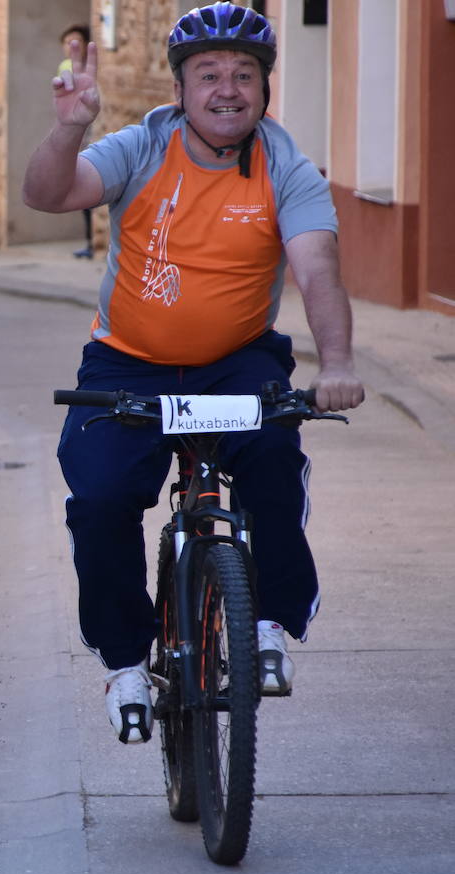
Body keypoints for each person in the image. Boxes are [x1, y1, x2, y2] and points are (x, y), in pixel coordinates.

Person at [22, 2, 365, 744]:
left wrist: (336, 364)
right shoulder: (141, 147)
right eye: (208, 75)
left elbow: (318, 271)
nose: (228, 89)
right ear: (179, 90)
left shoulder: (286, 166)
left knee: (275, 453)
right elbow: (48, 195)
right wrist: (70, 128)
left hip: (236, 359)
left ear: (265, 90)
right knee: (103, 497)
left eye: (244, 75)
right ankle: (123, 663)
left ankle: (267, 622)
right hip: (129, 365)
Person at [57, 24, 95, 259]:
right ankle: (90, 241)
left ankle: (94, 242)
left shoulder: (93, 70)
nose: (72, 47)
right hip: (78, 137)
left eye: (77, 43)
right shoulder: (64, 68)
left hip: (93, 135)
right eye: (68, 43)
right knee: (81, 190)